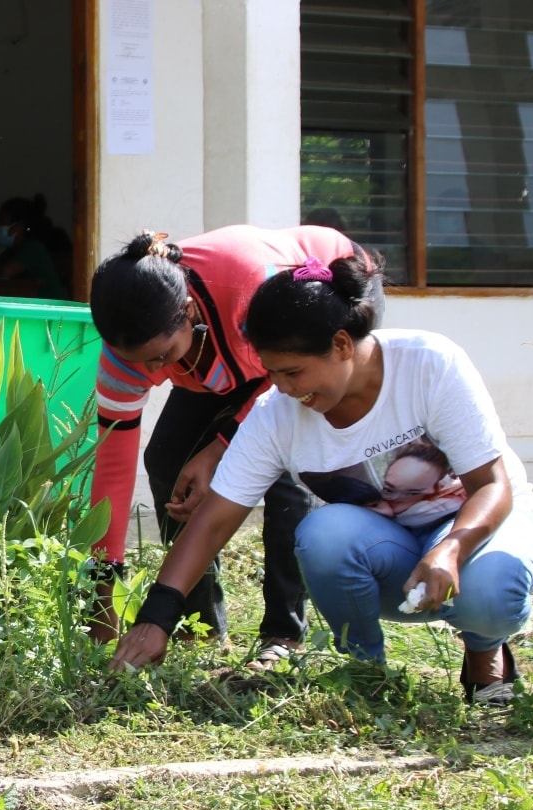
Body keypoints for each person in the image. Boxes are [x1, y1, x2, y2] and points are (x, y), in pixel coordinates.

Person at [110, 254, 533, 705]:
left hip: (474, 530)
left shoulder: (428, 364)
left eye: (293, 371)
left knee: (492, 590)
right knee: (321, 534)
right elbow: (214, 521)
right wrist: (156, 617)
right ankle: (364, 673)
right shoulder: (276, 416)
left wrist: (449, 550)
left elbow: (492, 485)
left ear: (341, 344)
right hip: (389, 551)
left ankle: (484, 647)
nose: (282, 387)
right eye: (271, 372)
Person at [86, 225, 380, 667]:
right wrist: (103, 589)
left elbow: (280, 379)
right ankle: (198, 627)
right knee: (167, 460)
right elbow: (112, 467)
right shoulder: (128, 357)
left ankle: (284, 635)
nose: (150, 371)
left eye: (160, 358)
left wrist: (219, 447)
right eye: (136, 361)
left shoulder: (246, 287)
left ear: (186, 312)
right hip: (226, 350)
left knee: (283, 472)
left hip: (313, 308)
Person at [0, 195, 66, 299]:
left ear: (19, 226)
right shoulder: (11, 252)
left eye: (1, 222)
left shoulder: (34, 248)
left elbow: (6, 271)